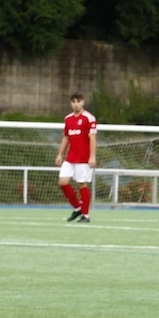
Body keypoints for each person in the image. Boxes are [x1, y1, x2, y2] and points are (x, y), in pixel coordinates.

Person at [55, 92, 96, 223]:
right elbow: (66, 137)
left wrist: (92, 157)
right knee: (63, 182)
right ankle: (77, 208)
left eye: (78, 101)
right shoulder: (68, 119)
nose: (76, 104)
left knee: (81, 184)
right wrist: (60, 154)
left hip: (83, 158)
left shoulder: (89, 118)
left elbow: (93, 138)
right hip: (70, 157)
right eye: (73, 102)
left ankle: (86, 215)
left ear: (83, 102)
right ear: (71, 103)